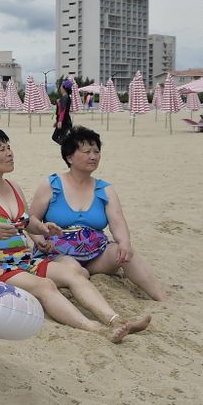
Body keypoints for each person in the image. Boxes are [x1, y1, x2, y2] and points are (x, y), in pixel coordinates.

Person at [0, 128, 151, 343]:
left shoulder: (13, 187)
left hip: (25, 260)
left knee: (73, 275)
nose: (10, 153)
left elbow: (26, 222)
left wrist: (43, 228)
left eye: (9, 147)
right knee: (45, 285)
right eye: (2, 149)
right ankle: (95, 329)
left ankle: (116, 320)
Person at [30, 127, 167, 301]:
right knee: (72, 268)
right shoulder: (51, 185)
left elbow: (117, 223)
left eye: (96, 151)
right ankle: (82, 277)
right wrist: (39, 240)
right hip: (57, 253)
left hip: (97, 253)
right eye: (87, 152)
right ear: (69, 157)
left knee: (125, 252)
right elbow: (31, 220)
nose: (93, 156)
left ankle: (163, 299)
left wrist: (124, 242)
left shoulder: (105, 189)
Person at [53, 79, 74, 144]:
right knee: (60, 137)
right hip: (64, 120)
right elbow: (60, 110)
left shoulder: (65, 97)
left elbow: (63, 110)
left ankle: (70, 149)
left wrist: (60, 121)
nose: (60, 88)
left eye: (61, 86)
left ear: (64, 88)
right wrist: (57, 121)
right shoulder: (64, 97)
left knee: (57, 137)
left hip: (64, 121)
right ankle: (68, 149)